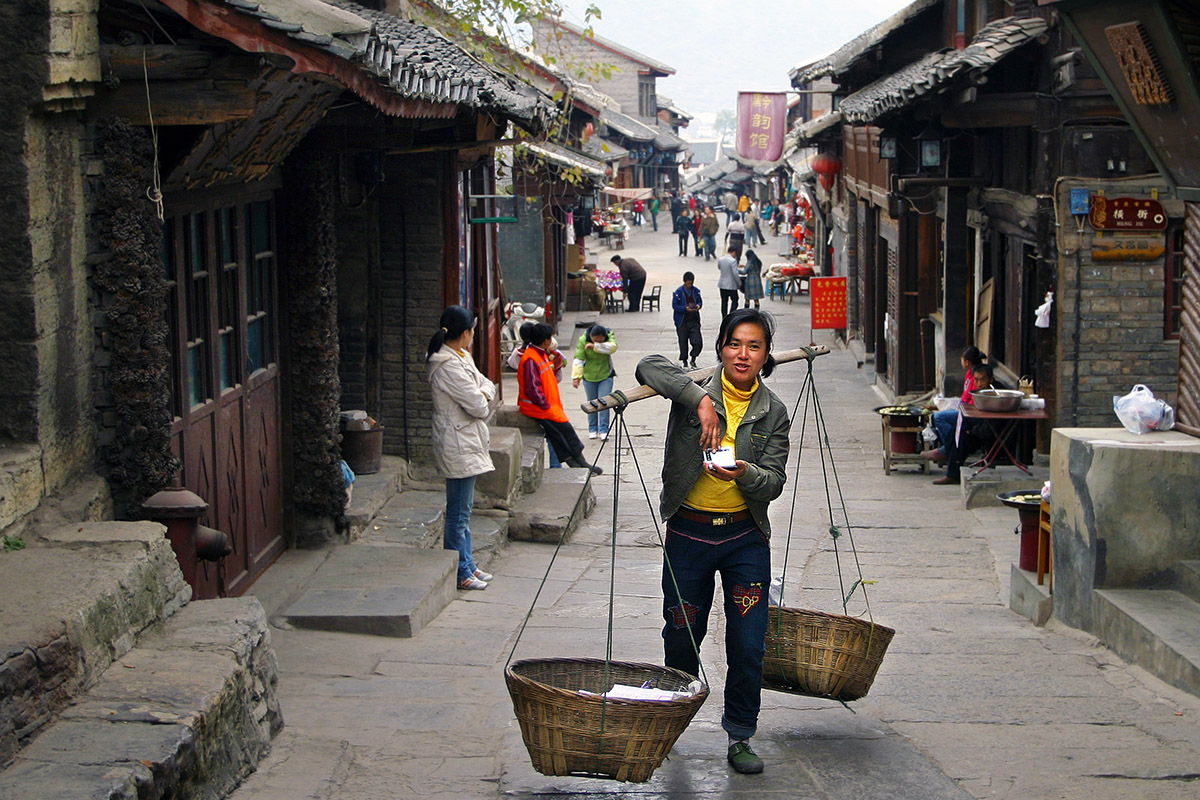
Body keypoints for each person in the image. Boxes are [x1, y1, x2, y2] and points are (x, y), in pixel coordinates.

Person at [635, 308, 791, 776]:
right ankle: (674, 720)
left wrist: (745, 472)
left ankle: (741, 732)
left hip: (744, 537)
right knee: (682, 635)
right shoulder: (693, 391)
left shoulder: (773, 412)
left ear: (765, 356)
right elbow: (648, 366)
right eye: (735, 344)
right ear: (721, 346)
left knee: (748, 642)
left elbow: (775, 482)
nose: (742, 355)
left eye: (754, 346)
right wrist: (701, 402)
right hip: (688, 534)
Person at [426, 306, 497, 591]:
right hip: (458, 441)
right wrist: (484, 393)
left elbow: (487, 385)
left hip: (467, 439)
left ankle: (467, 563)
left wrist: (484, 391)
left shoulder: (461, 356)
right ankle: (459, 571)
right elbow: (479, 405)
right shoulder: (447, 366)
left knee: (464, 509)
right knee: (458, 511)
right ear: (465, 332)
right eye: (473, 330)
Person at [518, 322, 602, 475]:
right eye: (550, 338)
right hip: (538, 407)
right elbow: (532, 388)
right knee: (564, 431)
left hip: (548, 406)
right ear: (545, 341)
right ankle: (579, 462)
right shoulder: (531, 358)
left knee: (560, 433)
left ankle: (577, 462)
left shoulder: (540, 354)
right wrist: (544, 405)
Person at [923, 345, 988, 469]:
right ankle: (949, 448)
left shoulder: (976, 376)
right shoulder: (969, 374)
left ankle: (949, 449)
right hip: (963, 407)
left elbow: (973, 399)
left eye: (962, 360)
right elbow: (965, 396)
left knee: (939, 417)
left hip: (971, 412)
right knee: (942, 416)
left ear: (967, 362)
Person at [933, 362, 994, 486]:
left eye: (983, 380)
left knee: (960, 433)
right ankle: (947, 458)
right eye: (976, 380)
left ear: (991, 380)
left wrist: (972, 431)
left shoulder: (994, 394)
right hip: (978, 425)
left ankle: (946, 456)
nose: (979, 384)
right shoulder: (979, 392)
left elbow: (989, 425)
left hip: (988, 432)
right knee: (958, 431)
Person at [572, 324, 618, 440]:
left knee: (604, 402)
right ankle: (592, 428)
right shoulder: (583, 340)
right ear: (591, 336)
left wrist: (595, 346)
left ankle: (604, 430)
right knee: (592, 403)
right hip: (589, 376)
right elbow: (579, 358)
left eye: (600, 340)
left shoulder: (609, 337)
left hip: (605, 375)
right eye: (595, 339)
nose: (597, 341)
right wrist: (576, 377)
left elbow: (612, 348)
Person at [672, 271, 703, 369]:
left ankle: (693, 358)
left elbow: (699, 301)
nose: (690, 285)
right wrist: (684, 309)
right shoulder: (678, 292)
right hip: (682, 321)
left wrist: (698, 305)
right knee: (683, 341)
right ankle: (685, 361)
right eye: (688, 283)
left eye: (691, 283)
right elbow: (675, 305)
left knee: (697, 341)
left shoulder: (696, 291)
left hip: (693, 320)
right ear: (684, 282)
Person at [717, 247, 742, 320]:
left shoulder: (721, 259)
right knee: (735, 300)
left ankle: (724, 317)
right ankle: (731, 315)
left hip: (722, 284)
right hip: (731, 285)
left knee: (724, 302)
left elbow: (719, 268)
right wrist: (739, 283)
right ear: (734, 252)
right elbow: (735, 273)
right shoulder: (733, 261)